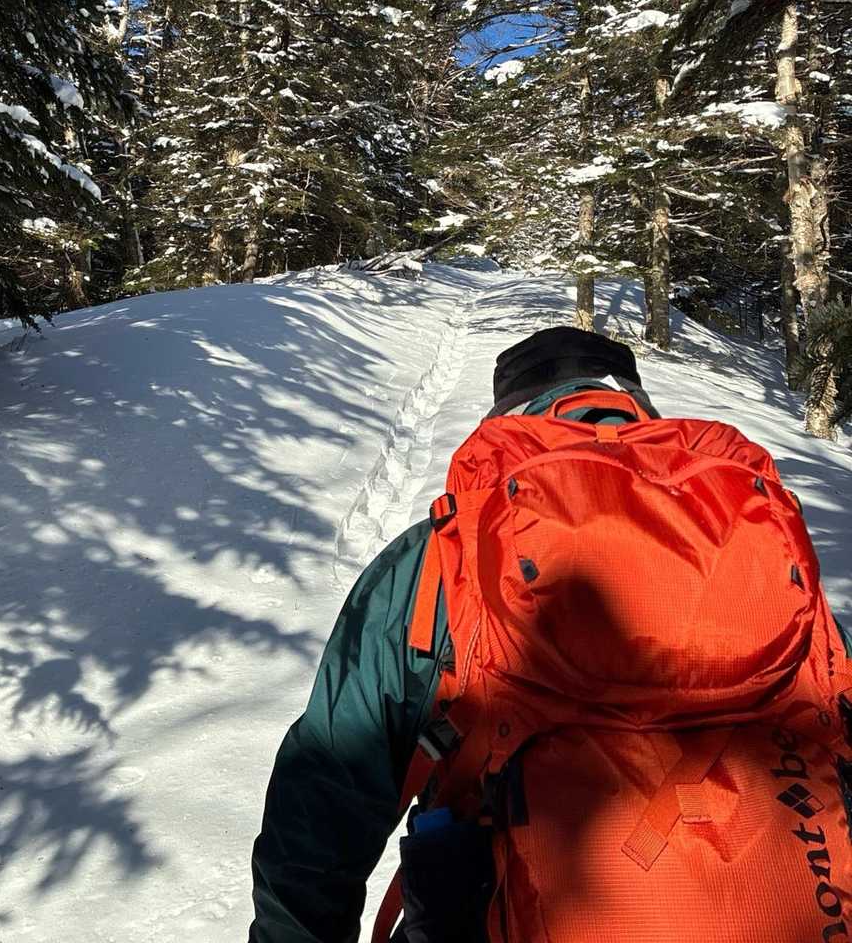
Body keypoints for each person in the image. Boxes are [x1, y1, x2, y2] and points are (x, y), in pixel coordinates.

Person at [248, 326, 852, 943]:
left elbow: (325, 794)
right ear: (636, 405)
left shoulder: (443, 553)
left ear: (507, 414)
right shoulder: (762, 540)